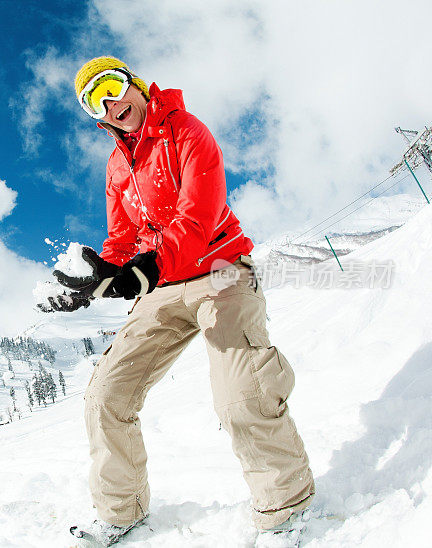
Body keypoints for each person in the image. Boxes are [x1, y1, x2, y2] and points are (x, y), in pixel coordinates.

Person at [45, 56, 315, 545]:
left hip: (219, 270)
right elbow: (122, 240)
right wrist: (102, 275)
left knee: (241, 395)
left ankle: (285, 507)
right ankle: (120, 513)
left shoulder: (188, 132)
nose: (108, 103)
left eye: (110, 86)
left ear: (134, 84)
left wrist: (145, 270)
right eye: (93, 102)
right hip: (163, 288)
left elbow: (199, 218)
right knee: (106, 396)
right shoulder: (116, 166)